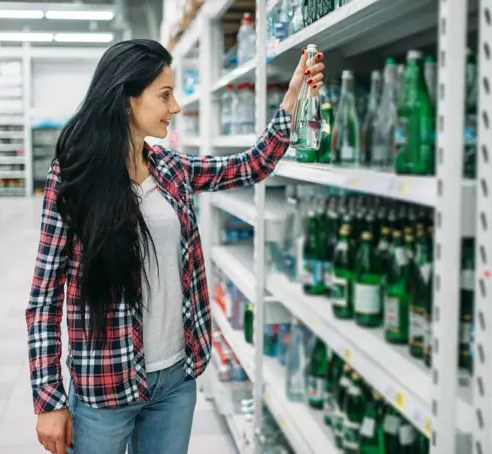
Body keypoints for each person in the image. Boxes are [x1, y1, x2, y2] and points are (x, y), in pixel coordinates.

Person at [25, 38, 325, 454]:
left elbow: (251, 165)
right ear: (127, 98)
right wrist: (48, 398)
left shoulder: (171, 168)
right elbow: (44, 297)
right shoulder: (73, 177)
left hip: (174, 381)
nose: (176, 107)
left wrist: (292, 98)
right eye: (164, 95)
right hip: (105, 385)